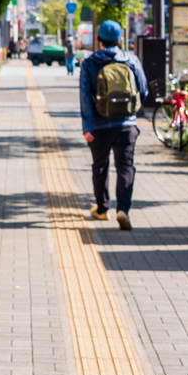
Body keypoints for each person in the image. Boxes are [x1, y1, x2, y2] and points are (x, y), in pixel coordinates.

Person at [78, 19, 148, 230]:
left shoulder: (90, 63)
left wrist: (87, 128)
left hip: (99, 125)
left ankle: (102, 209)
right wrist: (131, 114)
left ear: (98, 40)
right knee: (125, 166)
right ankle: (123, 210)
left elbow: (84, 97)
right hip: (127, 124)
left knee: (100, 166)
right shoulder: (131, 60)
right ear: (120, 39)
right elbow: (143, 90)